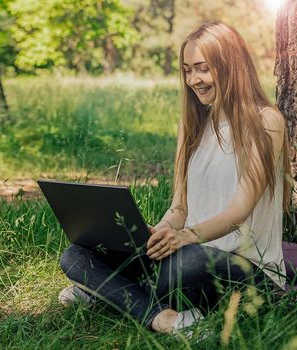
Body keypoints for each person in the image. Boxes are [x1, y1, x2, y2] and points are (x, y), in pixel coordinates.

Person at [58, 21, 292, 335]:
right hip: (190, 252)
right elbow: (179, 207)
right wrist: (163, 230)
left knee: (184, 265)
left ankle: (108, 292)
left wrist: (187, 237)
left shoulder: (266, 121)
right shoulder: (192, 124)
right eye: (186, 70)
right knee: (75, 254)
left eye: (203, 68)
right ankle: (165, 318)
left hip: (246, 269)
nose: (194, 79)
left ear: (230, 66)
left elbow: (240, 211)